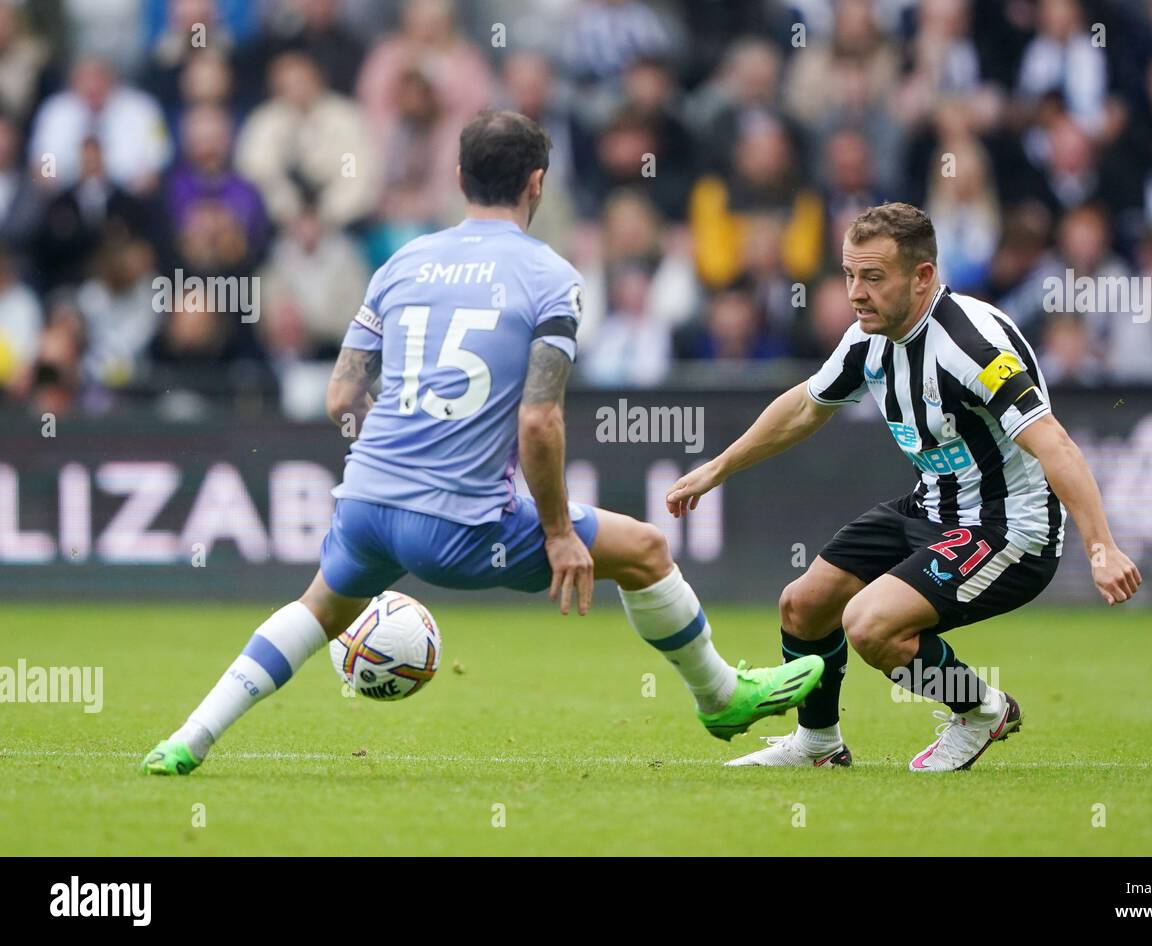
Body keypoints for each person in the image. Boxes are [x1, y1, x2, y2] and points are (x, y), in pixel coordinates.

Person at [141, 110, 822, 776]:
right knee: (644, 550)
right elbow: (538, 422)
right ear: (537, 184)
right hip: (460, 524)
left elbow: (341, 396)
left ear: (460, 175)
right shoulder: (550, 277)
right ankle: (720, 698)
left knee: (318, 609)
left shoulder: (403, 262)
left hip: (368, 505)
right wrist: (558, 531)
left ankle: (188, 739)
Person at [666, 202, 1141, 773]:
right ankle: (818, 744)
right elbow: (804, 408)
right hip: (932, 505)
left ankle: (983, 710)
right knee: (804, 605)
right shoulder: (867, 337)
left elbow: (1056, 445)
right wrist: (719, 467)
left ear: (922, 277)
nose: (855, 293)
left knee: (869, 624)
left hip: (1010, 526)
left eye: (872, 277)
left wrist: (1101, 546)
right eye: (848, 275)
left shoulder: (973, 346)